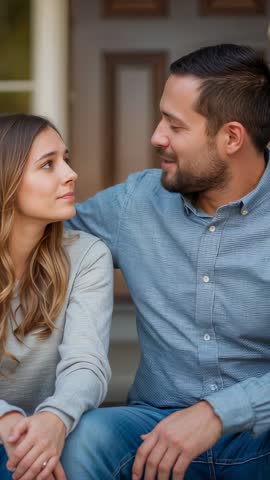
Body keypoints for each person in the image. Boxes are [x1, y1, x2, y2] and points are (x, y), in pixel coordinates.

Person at [64, 43, 270, 480]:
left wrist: (217, 413)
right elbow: (41, 236)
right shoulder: (134, 204)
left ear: (231, 137)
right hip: (154, 431)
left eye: (174, 125)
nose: (157, 136)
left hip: (263, 435)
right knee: (86, 438)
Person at [0, 113, 113, 480]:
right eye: (48, 165)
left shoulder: (87, 255)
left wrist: (55, 418)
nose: (70, 174)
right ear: (7, 180)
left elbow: (86, 363)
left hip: (43, 439)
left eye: (66, 160)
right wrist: (8, 421)